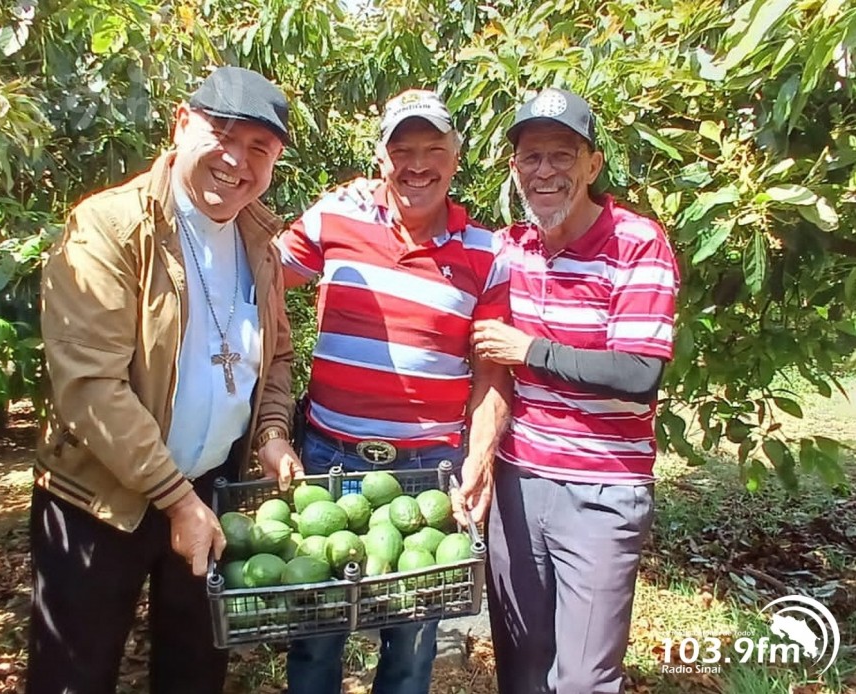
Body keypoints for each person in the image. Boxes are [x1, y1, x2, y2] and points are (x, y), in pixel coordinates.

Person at [28, 66, 301, 694]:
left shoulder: (260, 238)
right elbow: (90, 387)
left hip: (210, 489)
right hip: (101, 499)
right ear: (181, 124)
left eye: (260, 146)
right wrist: (175, 499)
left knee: (194, 668)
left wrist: (271, 431)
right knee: (75, 673)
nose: (237, 160)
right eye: (222, 133)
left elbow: (276, 354)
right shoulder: (110, 227)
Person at [274, 89, 511, 694]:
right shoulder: (334, 218)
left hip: (428, 468)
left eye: (433, 148)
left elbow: (491, 373)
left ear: (456, 160)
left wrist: (479, 457)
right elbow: (255, 275)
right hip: (329, 458)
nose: (417, 164)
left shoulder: (488, 252)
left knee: (411, 641)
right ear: (381, 157)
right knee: (316, 631)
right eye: (401, 149)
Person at [468, 88, 680, 693]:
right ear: (515, 169)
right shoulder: (511, 249)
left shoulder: (636, 242)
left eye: (563, 155)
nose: (546, 171)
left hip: (603, 488)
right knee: (522, 666)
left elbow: (639, 374)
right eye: (531, 157)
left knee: (585, 678)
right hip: (519, 483)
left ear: (593, 164)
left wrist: (528, 351)